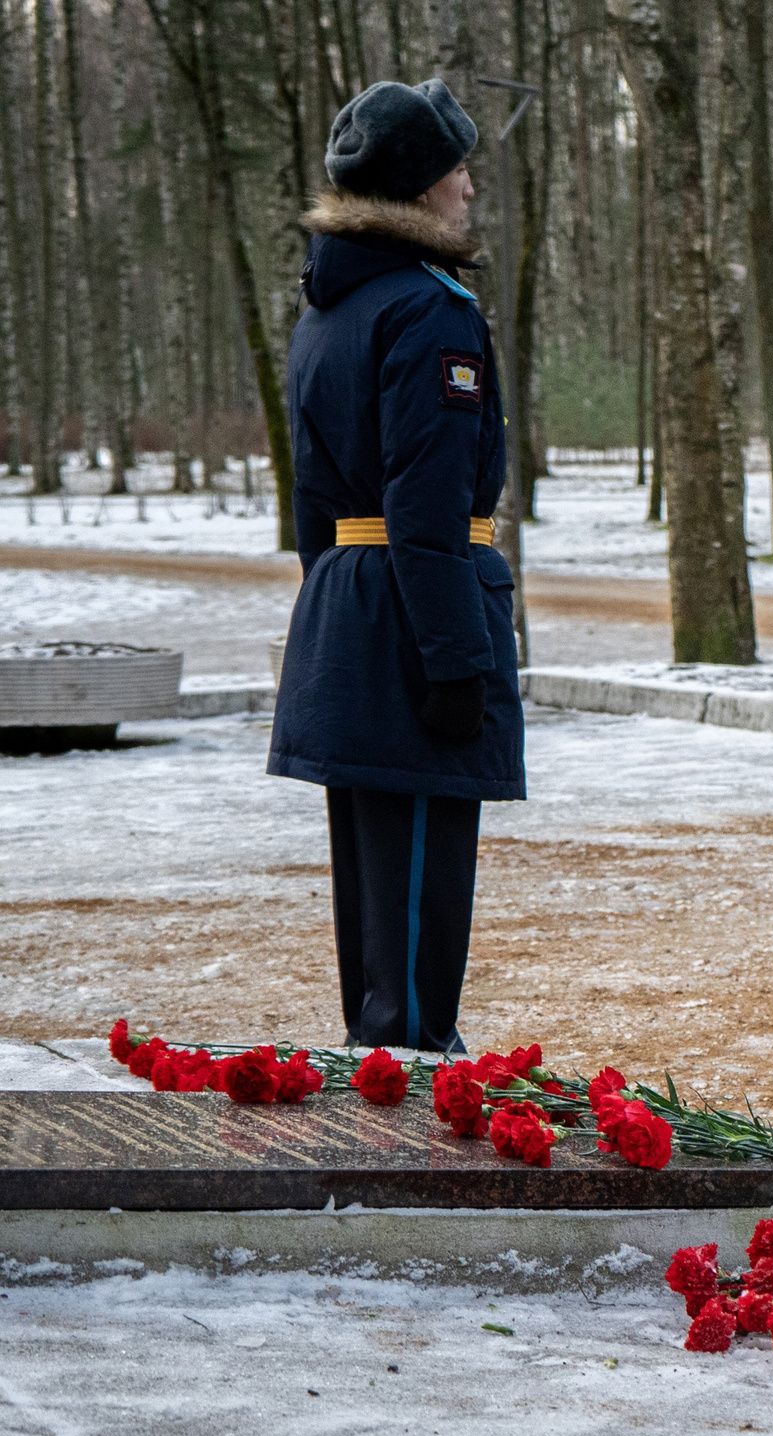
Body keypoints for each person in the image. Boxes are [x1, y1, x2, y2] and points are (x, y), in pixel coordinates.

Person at [268, 79, 519, 1053]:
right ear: (419, 188)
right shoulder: (426, 310)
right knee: (414, 929)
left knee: (375, 910)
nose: (466, 184)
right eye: (454, 167)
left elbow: (308, 505)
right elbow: (426, 507)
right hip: (416, 621)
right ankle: (408, 1129)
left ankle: (383, 1090)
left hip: (350, 607)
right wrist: (456, 658)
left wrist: (337, 619)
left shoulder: (330, 307)